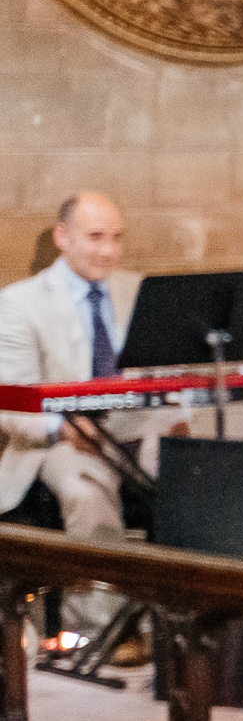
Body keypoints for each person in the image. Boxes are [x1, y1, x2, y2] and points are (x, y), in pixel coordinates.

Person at [0, 195, 146, 647]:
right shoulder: (20, 304)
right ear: (63, 237)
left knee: (205, 473)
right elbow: (10, 403)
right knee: (88, 490)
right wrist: (61, 427)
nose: (108, 251)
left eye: (116, 238)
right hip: (55, 441)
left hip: (131, 429)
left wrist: (179, 419)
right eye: (95, 237)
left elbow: (162, 373)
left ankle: (194, 625)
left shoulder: (137, 290)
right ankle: (106, 633)